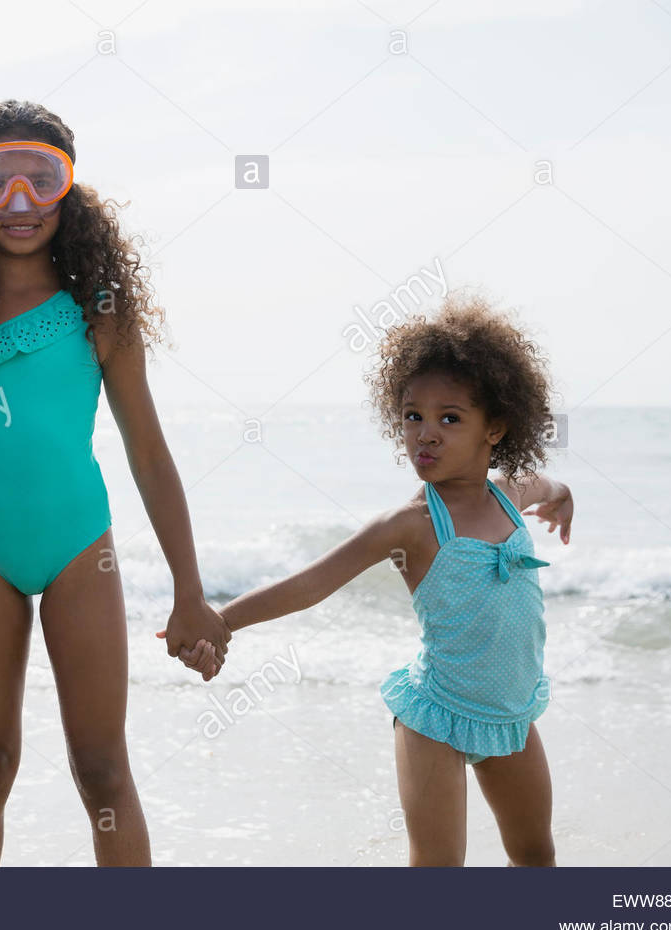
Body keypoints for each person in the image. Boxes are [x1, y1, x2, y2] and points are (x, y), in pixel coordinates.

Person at [0, 99, 229, 866]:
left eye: (40, 180)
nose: (19, 203)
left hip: (83, 552)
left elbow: (147, 450)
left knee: (103, 769)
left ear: (66, 190)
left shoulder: (99, 309)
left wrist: (189, 588)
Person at [167, 294, 573, 866]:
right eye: (413, 416)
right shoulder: (408, 525)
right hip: (435, 715)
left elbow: (548, 486)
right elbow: (311, 584)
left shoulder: (512, 494)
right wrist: (223, 620)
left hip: (511, 713)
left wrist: (565, 498)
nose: (425, 434)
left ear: (497, 427)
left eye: (449, 418)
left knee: (535, 855)